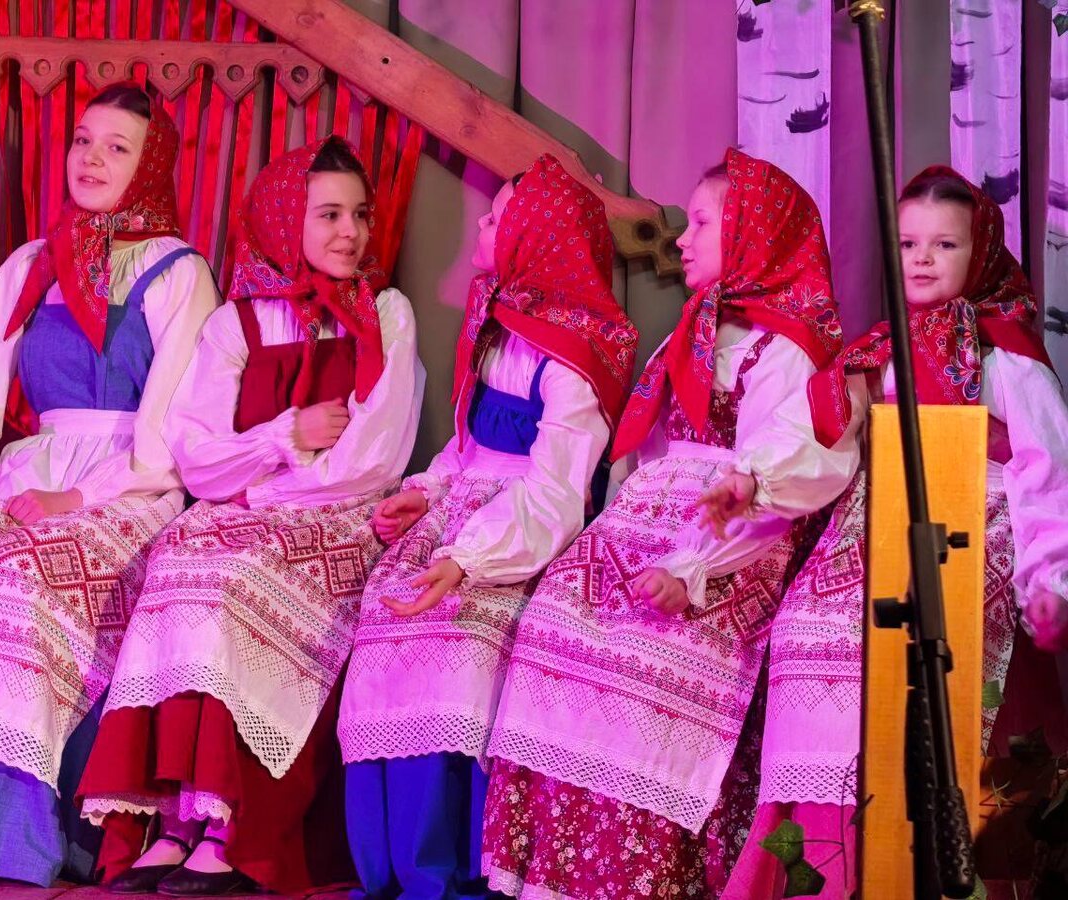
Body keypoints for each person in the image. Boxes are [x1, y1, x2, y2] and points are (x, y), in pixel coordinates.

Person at [481, 149, 863, 899]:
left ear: (753, 234)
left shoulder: (788, 350)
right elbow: (641, 452)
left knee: (643, 656)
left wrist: (692, 564)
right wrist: (607, 536)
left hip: (729, 547)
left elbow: (783, 477)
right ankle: (553, 874)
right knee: (554, 618)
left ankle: (639, 877)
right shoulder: (693, 331)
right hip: (646, 525)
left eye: (704, 223)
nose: (683, 239)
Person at [0, 82, 218, 886]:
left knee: (33, 578)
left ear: (150, 166)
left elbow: (173, 430)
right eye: (83, 140)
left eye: (117, 147)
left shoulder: (178, 271)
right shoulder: (34, 261)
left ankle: (22, 833)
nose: (91, 159)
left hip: (132, 484)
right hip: (36, 467)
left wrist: (78, 499)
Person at [76, 136, 424, 897]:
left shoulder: (384, 315)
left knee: (234, 577)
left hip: (341, 519)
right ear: (285, 218)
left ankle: (234, 827)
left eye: (360, 215)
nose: (351, 232)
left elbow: (372, 458)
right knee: (180, 564)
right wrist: (282, 436)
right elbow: (199, 456)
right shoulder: (238, 324)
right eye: (329, 214)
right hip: (244, 509)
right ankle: (176, 815)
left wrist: (261, 488)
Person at [724, 166, 1068, 899]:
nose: (922, 258)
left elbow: (1049, 474)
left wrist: (1050, 579)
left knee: (938, 645)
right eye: (909, 243)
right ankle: (830, 862)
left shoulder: (1005, 357)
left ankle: (937, 862)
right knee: (810, 626)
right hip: (877, 526)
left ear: (980, 251)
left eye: (945, 244)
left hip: (975, 522)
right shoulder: (875, 353)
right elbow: (818, 436)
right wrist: (753, 478)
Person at [338, 155, 637, 900]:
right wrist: (426, 492)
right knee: (385, 609)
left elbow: (558, 492)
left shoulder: (573, 356)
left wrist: (468, 559)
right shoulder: (497, 325)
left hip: (521, 533)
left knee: (461, 633)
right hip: (464, 510)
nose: (480, 225)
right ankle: (388, 865)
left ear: (535, 238)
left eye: (497, 218)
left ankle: (454, 866)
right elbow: (465, 446)